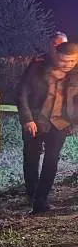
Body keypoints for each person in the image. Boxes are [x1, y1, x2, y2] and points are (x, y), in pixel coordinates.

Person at [16, 41, 78, 214]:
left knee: (52, 159)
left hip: (60, 123)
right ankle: (31, 194)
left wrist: (73, 123)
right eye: (64, 60)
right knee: (31, 157)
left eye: (72, 61)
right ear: (55, 56)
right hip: (36, 121)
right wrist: (27, 119)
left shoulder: (75, 74)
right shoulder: (38, 67)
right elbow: (22, 93)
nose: (68, 65)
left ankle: (41, 200)